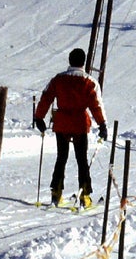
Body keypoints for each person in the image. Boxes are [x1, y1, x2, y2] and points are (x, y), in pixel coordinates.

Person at [34, 48, 108, 208]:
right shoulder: (89, 82)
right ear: (84, 62)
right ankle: (85, 196)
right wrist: (102, 124)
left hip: (61, 123)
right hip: (80, 124)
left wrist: (38, 117)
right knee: (81, 159)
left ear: (69, 60)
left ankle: (56, 193)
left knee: (61, 158)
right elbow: (96, 105)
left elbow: (46, 97)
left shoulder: (58, 79)